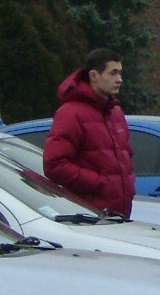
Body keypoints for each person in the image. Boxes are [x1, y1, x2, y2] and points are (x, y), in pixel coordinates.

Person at [42, 51, 135, 216]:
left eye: (120, 73)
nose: (119, 79)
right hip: (88, 217)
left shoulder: (116, 114)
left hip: (120, 216)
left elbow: (125, 156)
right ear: (94, 75)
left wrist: (128, 183)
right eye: (113, 73)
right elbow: (54, 165)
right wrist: (100, 183)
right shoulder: (70, 113)